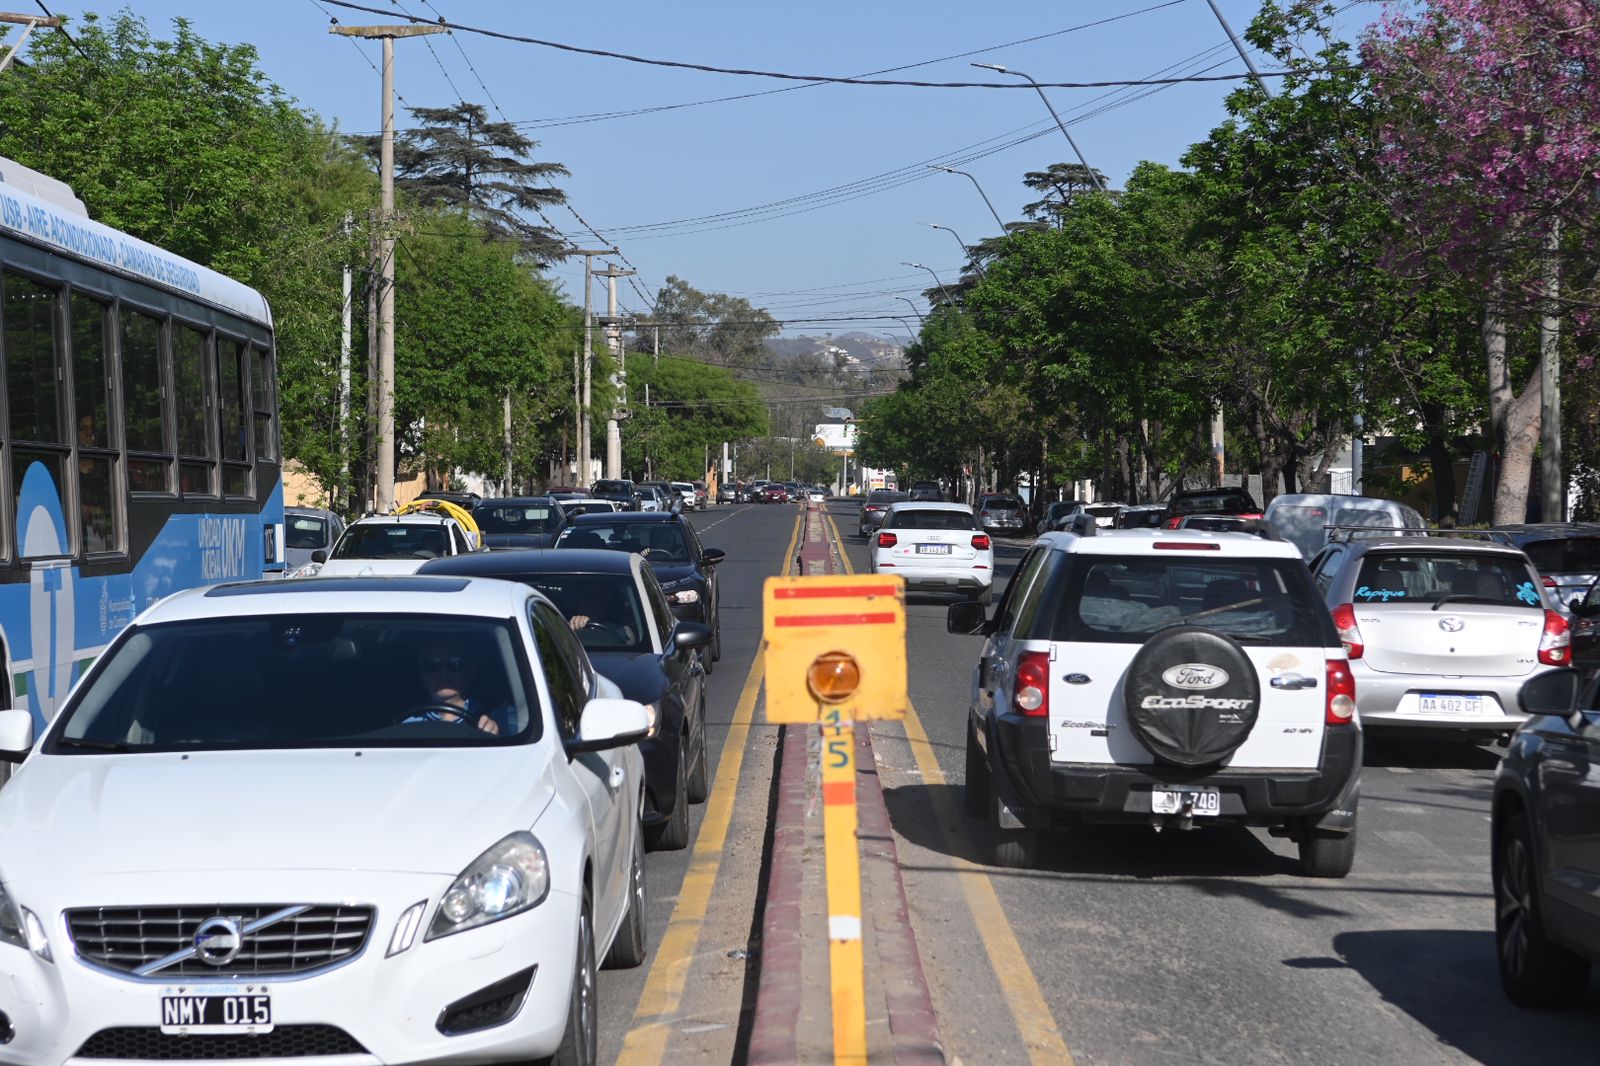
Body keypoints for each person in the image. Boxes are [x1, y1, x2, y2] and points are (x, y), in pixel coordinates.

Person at [411, 636, 510, 735]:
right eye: (431, 664)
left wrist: (495, 736)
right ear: (421, 672)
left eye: (455, 663)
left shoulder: (502, 716)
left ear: (471, 670)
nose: (443, 673)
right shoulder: (406, 724)